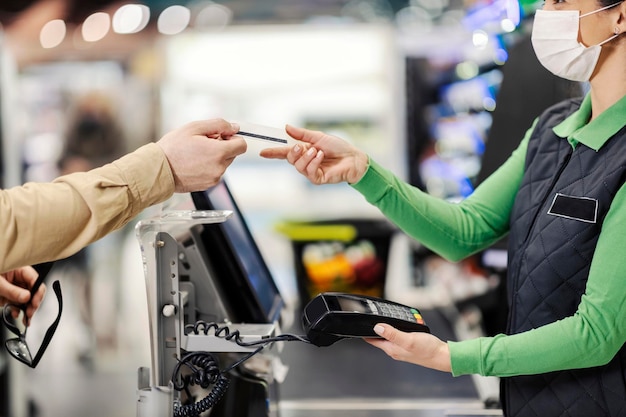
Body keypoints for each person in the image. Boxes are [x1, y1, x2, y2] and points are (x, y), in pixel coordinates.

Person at [260, 0, 626, 415]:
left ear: (620, 14)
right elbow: (465, 230)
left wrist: (451, 357)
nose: (544, 12)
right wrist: (362, 172)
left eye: (559, 0)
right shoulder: (551, 129)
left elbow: (598, 332)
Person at [0, 118, 247, 322]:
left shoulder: (112, 128)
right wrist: (162, 166)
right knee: (95, 273)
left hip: (108, 211)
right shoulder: (78, 126)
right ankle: (97, 327)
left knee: (108, 271)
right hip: (102, 204)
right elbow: (11, 218)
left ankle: (110, 324)